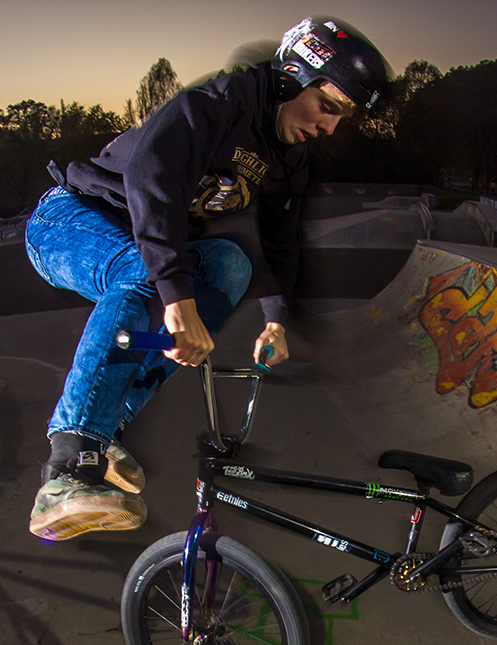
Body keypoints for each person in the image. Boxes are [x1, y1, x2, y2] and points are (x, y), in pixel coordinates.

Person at [23, 17, 388, 541]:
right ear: (291, 76)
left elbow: (281, 243)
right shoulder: (221, 102)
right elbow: (149, 173)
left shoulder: (289, 159)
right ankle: (66, 470)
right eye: (327, 106)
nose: (328, 127)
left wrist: (276, 323)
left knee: (230, 265)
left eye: (341, 118)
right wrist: (177, 298)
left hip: (140, 243)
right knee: (146, 273)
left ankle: (105, 425)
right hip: (70, 220)